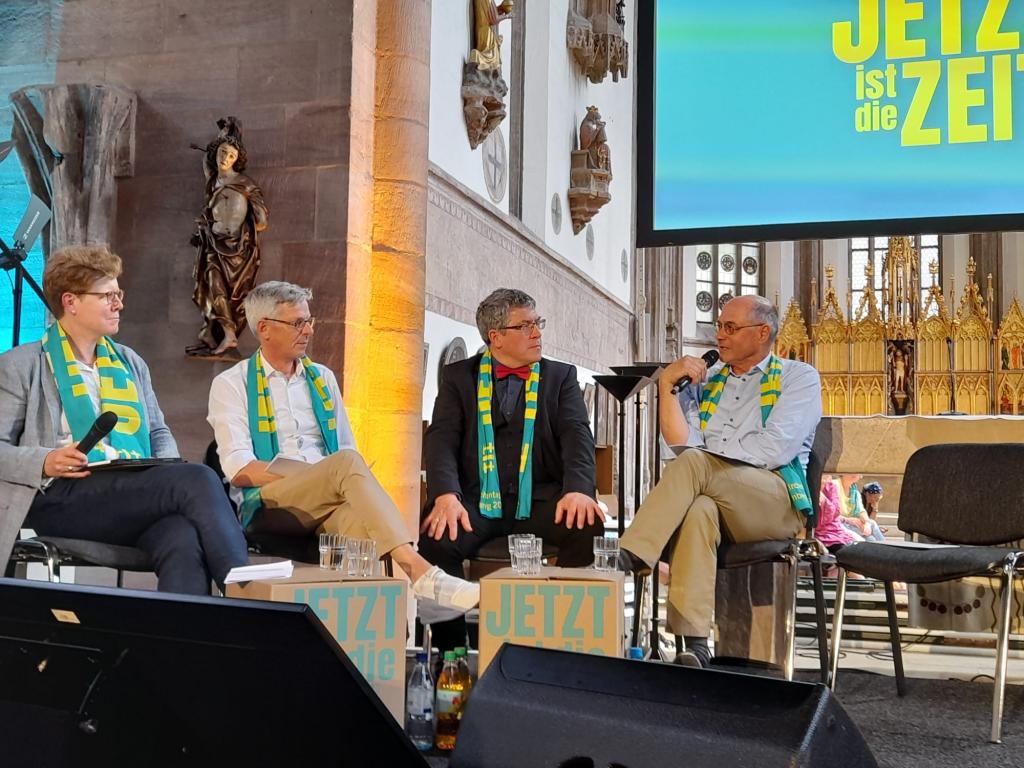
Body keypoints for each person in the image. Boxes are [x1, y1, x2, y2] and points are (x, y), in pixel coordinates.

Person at [207, 281, 477, 612]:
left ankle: (382, 632)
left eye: (310, 321)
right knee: (346, 464)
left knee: (362, 526)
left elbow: (347, 449)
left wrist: (330, 478)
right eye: (297, 323)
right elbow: (240, 469)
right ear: (264, 329)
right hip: (267, 503)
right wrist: (319, 476)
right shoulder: (232, 384)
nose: (308, 331)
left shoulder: (323, 378)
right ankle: (420, 573)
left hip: (330, 497)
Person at [0, 246, 249, 594]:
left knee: (181, 535)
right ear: (70, 302)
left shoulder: (130, 362)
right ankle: (249, 590)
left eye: (119, 294)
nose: (119, 304)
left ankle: (181, 645)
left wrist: (162, 470)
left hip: (128, 491)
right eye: (107, 296)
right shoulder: (21, 364)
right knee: (197, 478)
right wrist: (45, 460)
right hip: (62, 497)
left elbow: (157, 430)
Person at [618, 295, 822, 668]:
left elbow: (773, 449)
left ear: (763, 333)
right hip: (716, 492)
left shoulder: (798, 377)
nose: (720, 336)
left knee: (698, 466)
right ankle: (695, 643)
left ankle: (632, 554)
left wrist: (710, 456)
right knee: (698, 509)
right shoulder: (708, 381)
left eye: (730, 327)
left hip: (775, 498)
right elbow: (680, 446)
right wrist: (666, 386)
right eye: (718, 326)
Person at [419, 288, 604, 652]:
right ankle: (452, 654)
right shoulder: (459, 378)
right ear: (496, 337)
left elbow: (577, 437)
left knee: (586, 523)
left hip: (539, 500)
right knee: (437, 534)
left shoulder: (560, 377)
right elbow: (441, 440)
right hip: (476, 501)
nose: (537, 333)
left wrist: (579, 489)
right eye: (526, 326)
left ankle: (565, 642)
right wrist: (445, 495)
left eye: (538, 324)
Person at [189, 117, 268, 358]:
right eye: (222, 152)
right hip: (213, 244)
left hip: (238, 250)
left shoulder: (246, 185)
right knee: (214, 287)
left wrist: (244, 227)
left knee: (235, 293)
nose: (224, 158)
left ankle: (228, 332)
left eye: (230, 155)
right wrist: (223, 133)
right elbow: (206, 160)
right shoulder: (213, 181)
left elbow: (262, 221)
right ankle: (228, 336)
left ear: (237, 160)